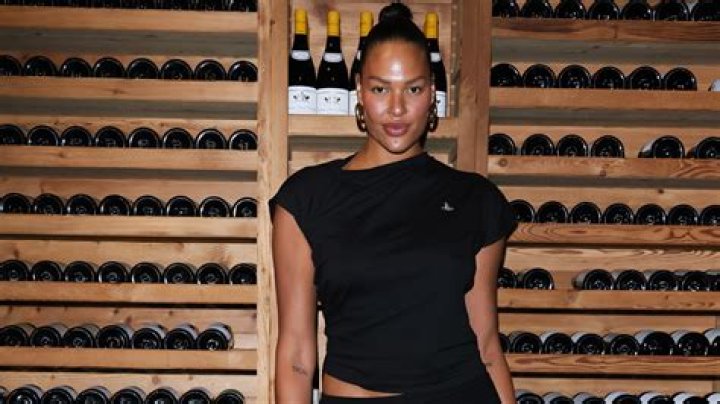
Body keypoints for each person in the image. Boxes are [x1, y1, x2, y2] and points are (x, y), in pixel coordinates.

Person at [270, 3, 517, 403]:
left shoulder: (476, 200)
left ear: (432, 94)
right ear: (359, 91)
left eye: (413, 89)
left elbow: (487, 344)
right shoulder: (306, 199)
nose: (397, 108)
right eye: (380, 88)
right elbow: (296, 355)